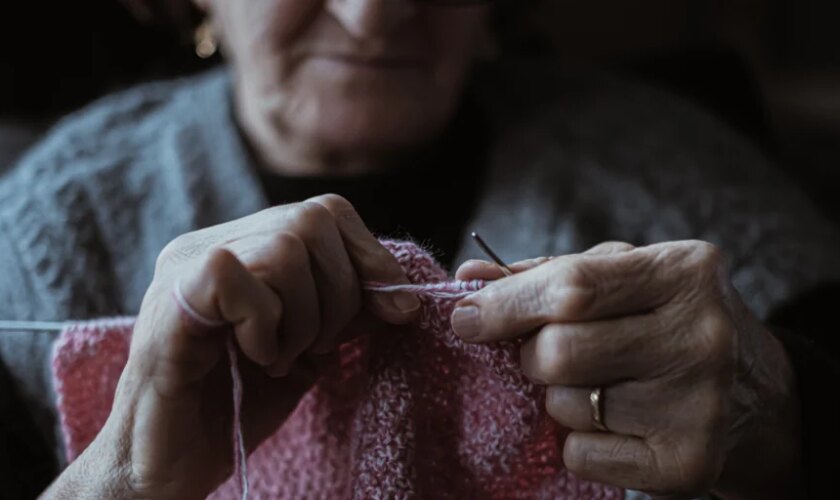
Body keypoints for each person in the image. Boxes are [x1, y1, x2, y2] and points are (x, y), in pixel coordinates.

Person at [1, 0, 838, 498]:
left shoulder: (678, 175)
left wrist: (787, 412)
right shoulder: (46, 231)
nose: (375, 14)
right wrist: (119, 478)